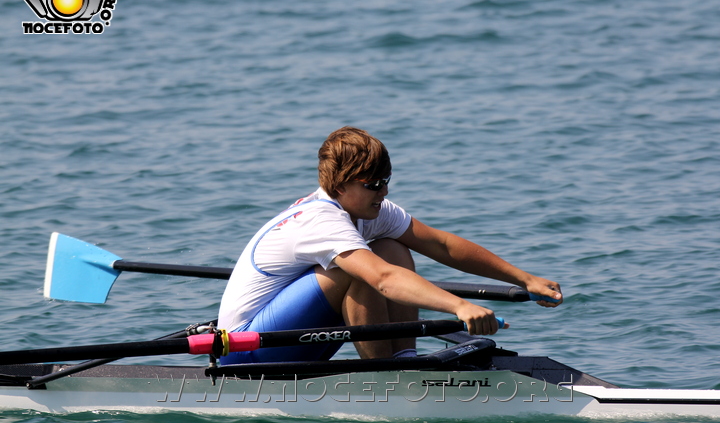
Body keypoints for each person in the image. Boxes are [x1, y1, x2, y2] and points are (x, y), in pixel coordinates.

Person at [218, 126, 562, 364]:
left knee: (392, 248)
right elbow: (383, 279)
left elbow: (441, 245)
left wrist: (523, 279)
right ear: (340, 186)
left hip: (293, 338)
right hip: (245, 350)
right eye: (374, 184)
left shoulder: (371, 210)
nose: (384, 192)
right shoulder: (322, 221)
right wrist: (460, 307)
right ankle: (385, 375)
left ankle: (404, 359)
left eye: (387, 181)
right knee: (362, 270)